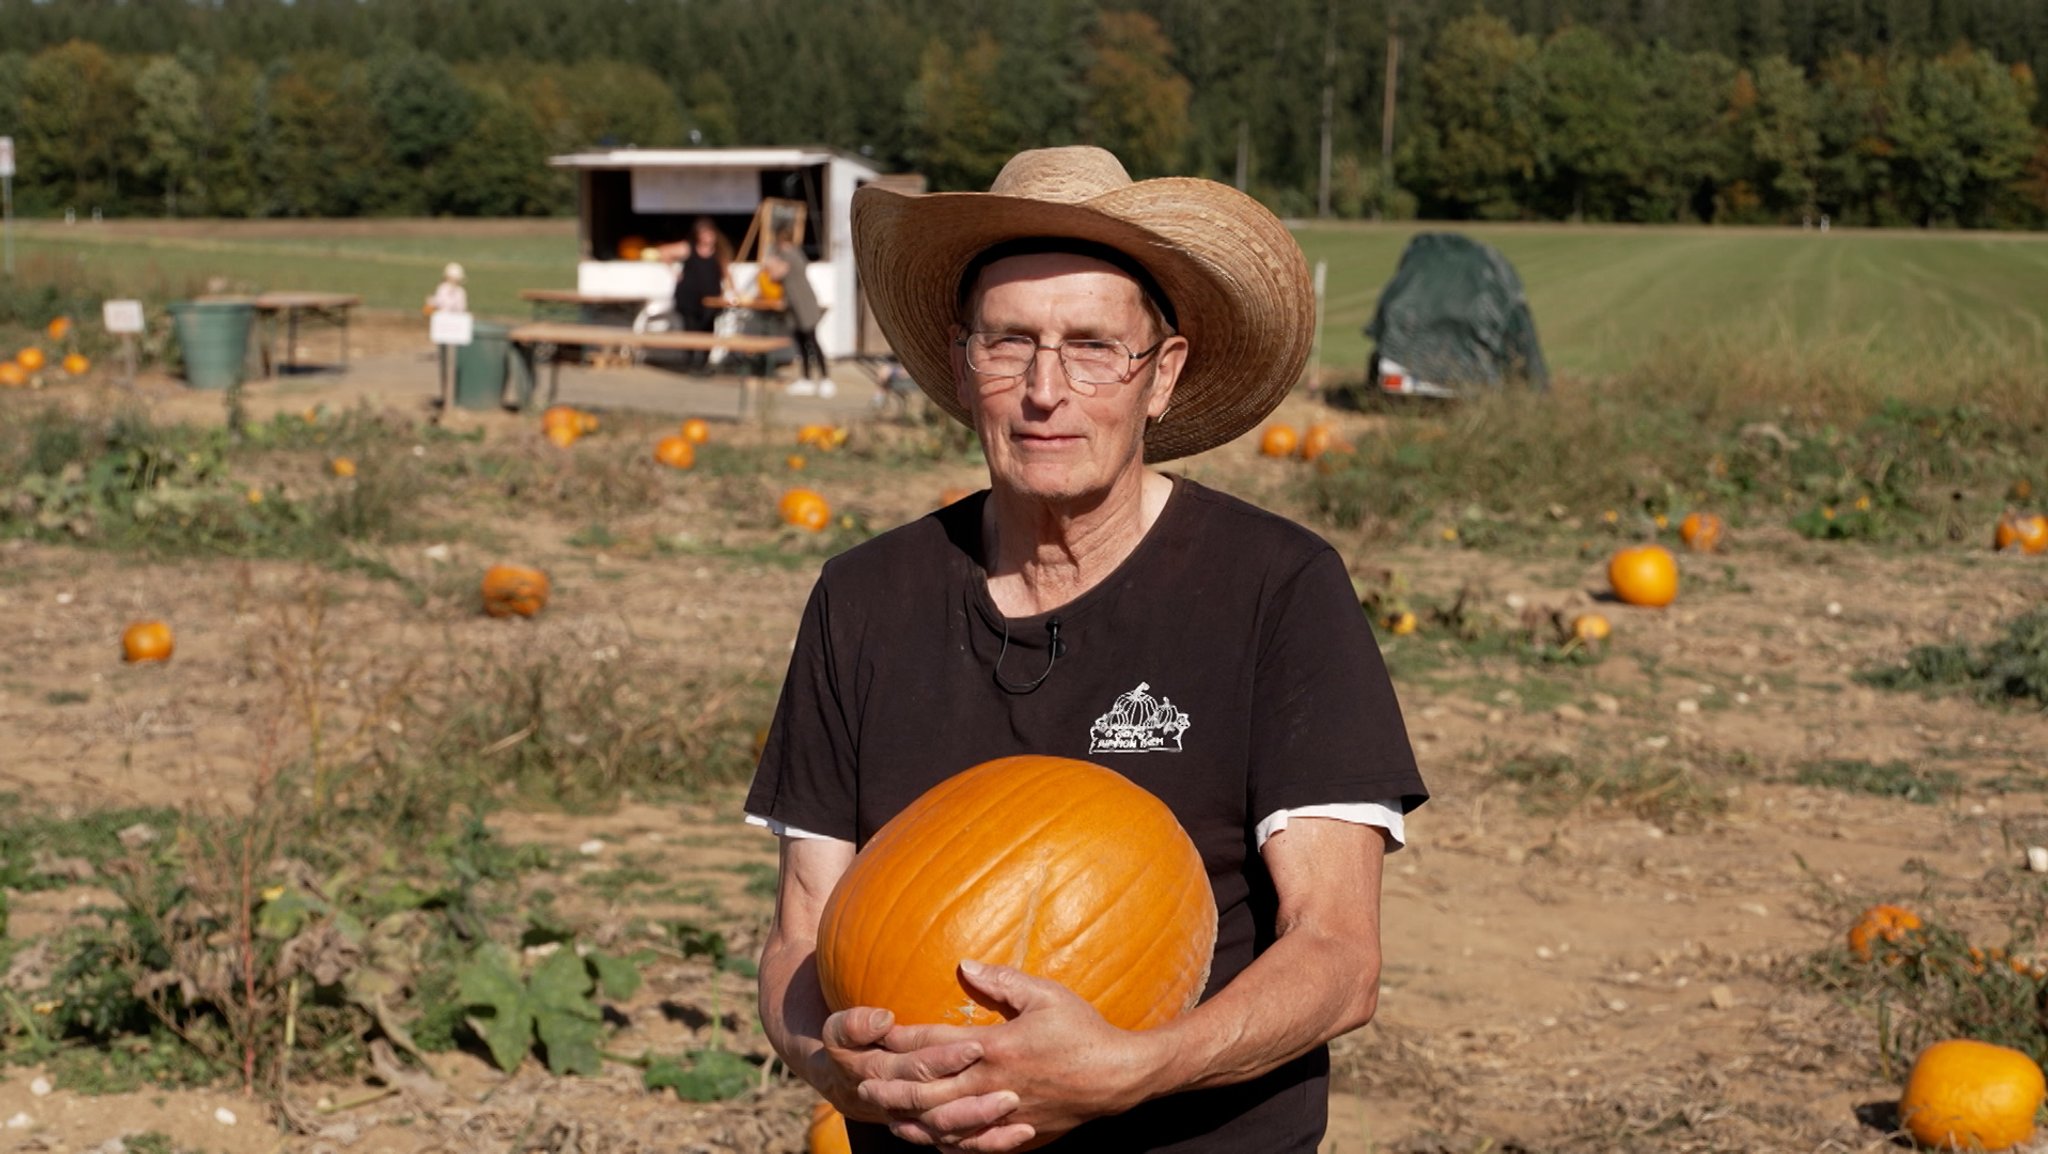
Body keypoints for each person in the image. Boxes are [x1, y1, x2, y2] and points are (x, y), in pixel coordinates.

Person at [744, 145, 1428, 1153]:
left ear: (1163, 375)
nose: (1044, 390)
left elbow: (1335, 955)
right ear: (959, 359)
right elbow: (800, 933)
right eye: (1008, 342)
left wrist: (1131, 1069)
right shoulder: (864, 597)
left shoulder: (1275, 589)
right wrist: (828, 1061)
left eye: (1092, 346)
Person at [761, 220, 833, 397]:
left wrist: (768, 263)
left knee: (812, 340)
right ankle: (807, 378)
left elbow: (775, 273)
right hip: (793, 303)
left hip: (804, 303)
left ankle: (825, 379)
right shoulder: (788, 253)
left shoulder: (790, 254)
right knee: (801, 342)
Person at [669, 217, 733, 372]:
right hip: (688, 298)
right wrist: (674, 272)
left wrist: (732, 293)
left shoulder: (719, 253)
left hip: (710, 299)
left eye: (710, 234)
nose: (708, 238)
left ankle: (704, 362)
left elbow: (727, 274)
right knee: (690, 329)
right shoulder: (688, 248)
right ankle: (690, 361)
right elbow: (664, 252)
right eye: (704, 234)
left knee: (708, 330)